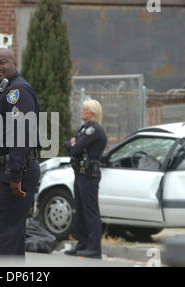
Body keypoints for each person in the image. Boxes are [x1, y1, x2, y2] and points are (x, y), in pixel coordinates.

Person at [0, 48, 40, 255]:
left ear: (14, 62)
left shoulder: (18, 91)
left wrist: (15, 175)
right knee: (9, 233)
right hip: (6, 168)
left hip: (14, 169)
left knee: (3, 233)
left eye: (2, 63)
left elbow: (21, 133)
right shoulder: (5, 91)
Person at [64, 99, 107, 259]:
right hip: (80, 173)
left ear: (91, 113)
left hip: (89, 175)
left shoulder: (93, 130)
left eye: (84, 110)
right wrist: (73, 144)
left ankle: (94, 248)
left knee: (90, 211)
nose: (81, 112)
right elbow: (69, 144)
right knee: (80, 210)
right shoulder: (84, 129)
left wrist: (74, 144)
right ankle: (82, 244)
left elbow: (75, 149)